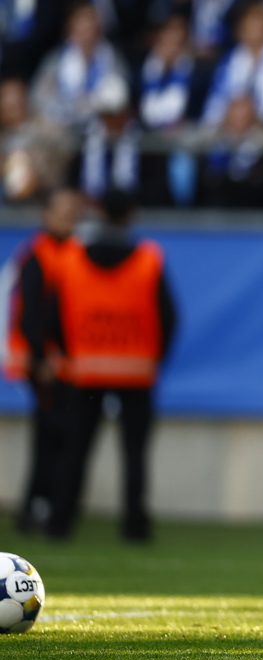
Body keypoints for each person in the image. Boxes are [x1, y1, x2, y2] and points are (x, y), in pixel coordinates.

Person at [47, 189, 178, 542]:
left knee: (74, 451)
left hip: (84, 370)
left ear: (99, 210)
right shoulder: (149, 258)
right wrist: (154, 358)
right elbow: (169, 317)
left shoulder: (71, 257)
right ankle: (135, 526)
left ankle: (60, 522)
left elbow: (54, 313)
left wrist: (68, 353)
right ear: (133, 213)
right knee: (134, 454)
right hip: (137, 371)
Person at [5, 187, 82, 534]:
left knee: (61, 436)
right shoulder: (37, 255)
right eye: (61, 211)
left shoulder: (73, 253)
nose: (68, 219)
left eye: (73, 212)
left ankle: (49, 505)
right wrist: (43, 357)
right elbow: (31, 315)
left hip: (64, 362)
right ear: (46, 216)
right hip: (44, 363)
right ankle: (37, 506)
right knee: (50, 436)